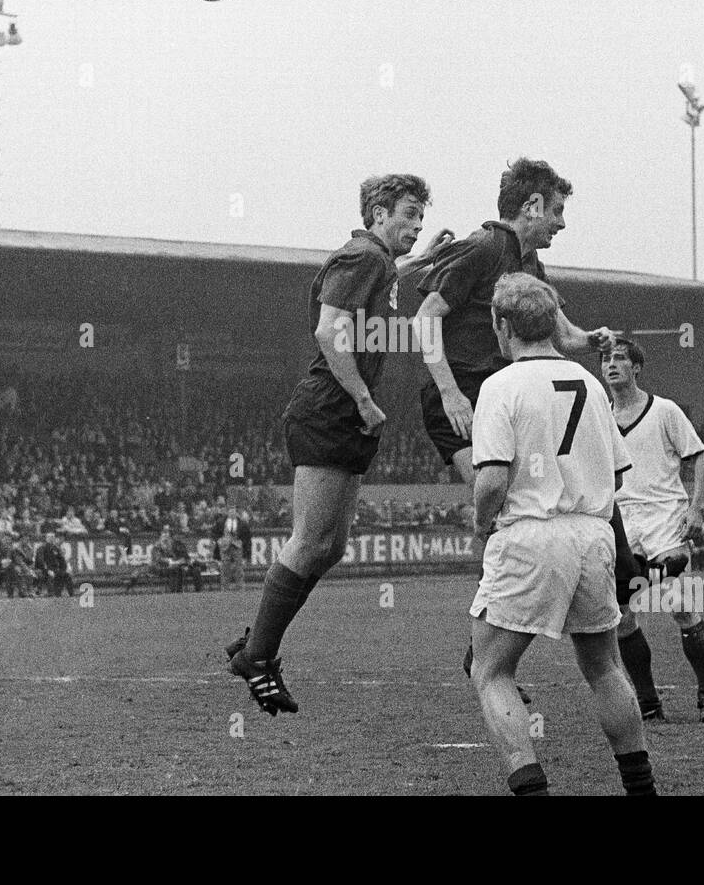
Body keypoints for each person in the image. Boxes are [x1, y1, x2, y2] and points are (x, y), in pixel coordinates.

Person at [225, 174, 448, 716]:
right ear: (377, 212)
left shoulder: (374, 261)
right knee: (310, 540)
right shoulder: (361, 258)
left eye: (422, 217)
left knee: (330, 545)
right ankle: (258, 656)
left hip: (342, 415)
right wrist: (364, 400)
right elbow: (329, 332)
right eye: (409, 214)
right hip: (330, 408)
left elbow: (386, 280)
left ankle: (255, 647)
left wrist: (422, 262)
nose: (417, 226)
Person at [410, 158, 620, 697]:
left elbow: (560, 330)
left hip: (498, 398)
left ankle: (483, 650)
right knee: (502, 505)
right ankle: (483, 652)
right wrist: (450, 391)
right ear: (531, 207)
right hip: (462, 400)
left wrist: (587, 337)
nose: (562, 225)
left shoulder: (531, 265)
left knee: (515, 508)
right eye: (557, 211)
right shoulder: (484, 247)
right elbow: (425, 317)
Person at [468, 273, 654, 796]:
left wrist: (483, 527)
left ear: (503, 326)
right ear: (552, 323)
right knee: (603, 665)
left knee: (491, 670)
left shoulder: (500, 386)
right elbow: (617, 473)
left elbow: (492, 480)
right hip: (594, 533)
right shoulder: (592, 384)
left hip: (531, 533)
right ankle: (641, 789)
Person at [603, 338, 704, 723]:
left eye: (620, 358)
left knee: (680, 606)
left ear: (637, 367)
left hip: (663, 516)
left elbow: (700, 458)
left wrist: (697, 509)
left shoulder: (665, 410)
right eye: (606, 359)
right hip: (621, 519)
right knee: (621, 615)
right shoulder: (599, 416)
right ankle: (649, 702)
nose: (611, 364)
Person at [213, 506, 251, 590]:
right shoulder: (221, 522)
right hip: (225, 547)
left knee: (239, 568)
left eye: (234, 511)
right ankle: (224, 588)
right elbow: (214, 533)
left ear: (236, 512)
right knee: (225, 568)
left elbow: (247, 537)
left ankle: (240, 588)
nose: (232, 513)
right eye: (230, 511)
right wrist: (218, 540)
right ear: (227, 512)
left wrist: (242, 543)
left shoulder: (242, 523)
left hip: (237, 547)